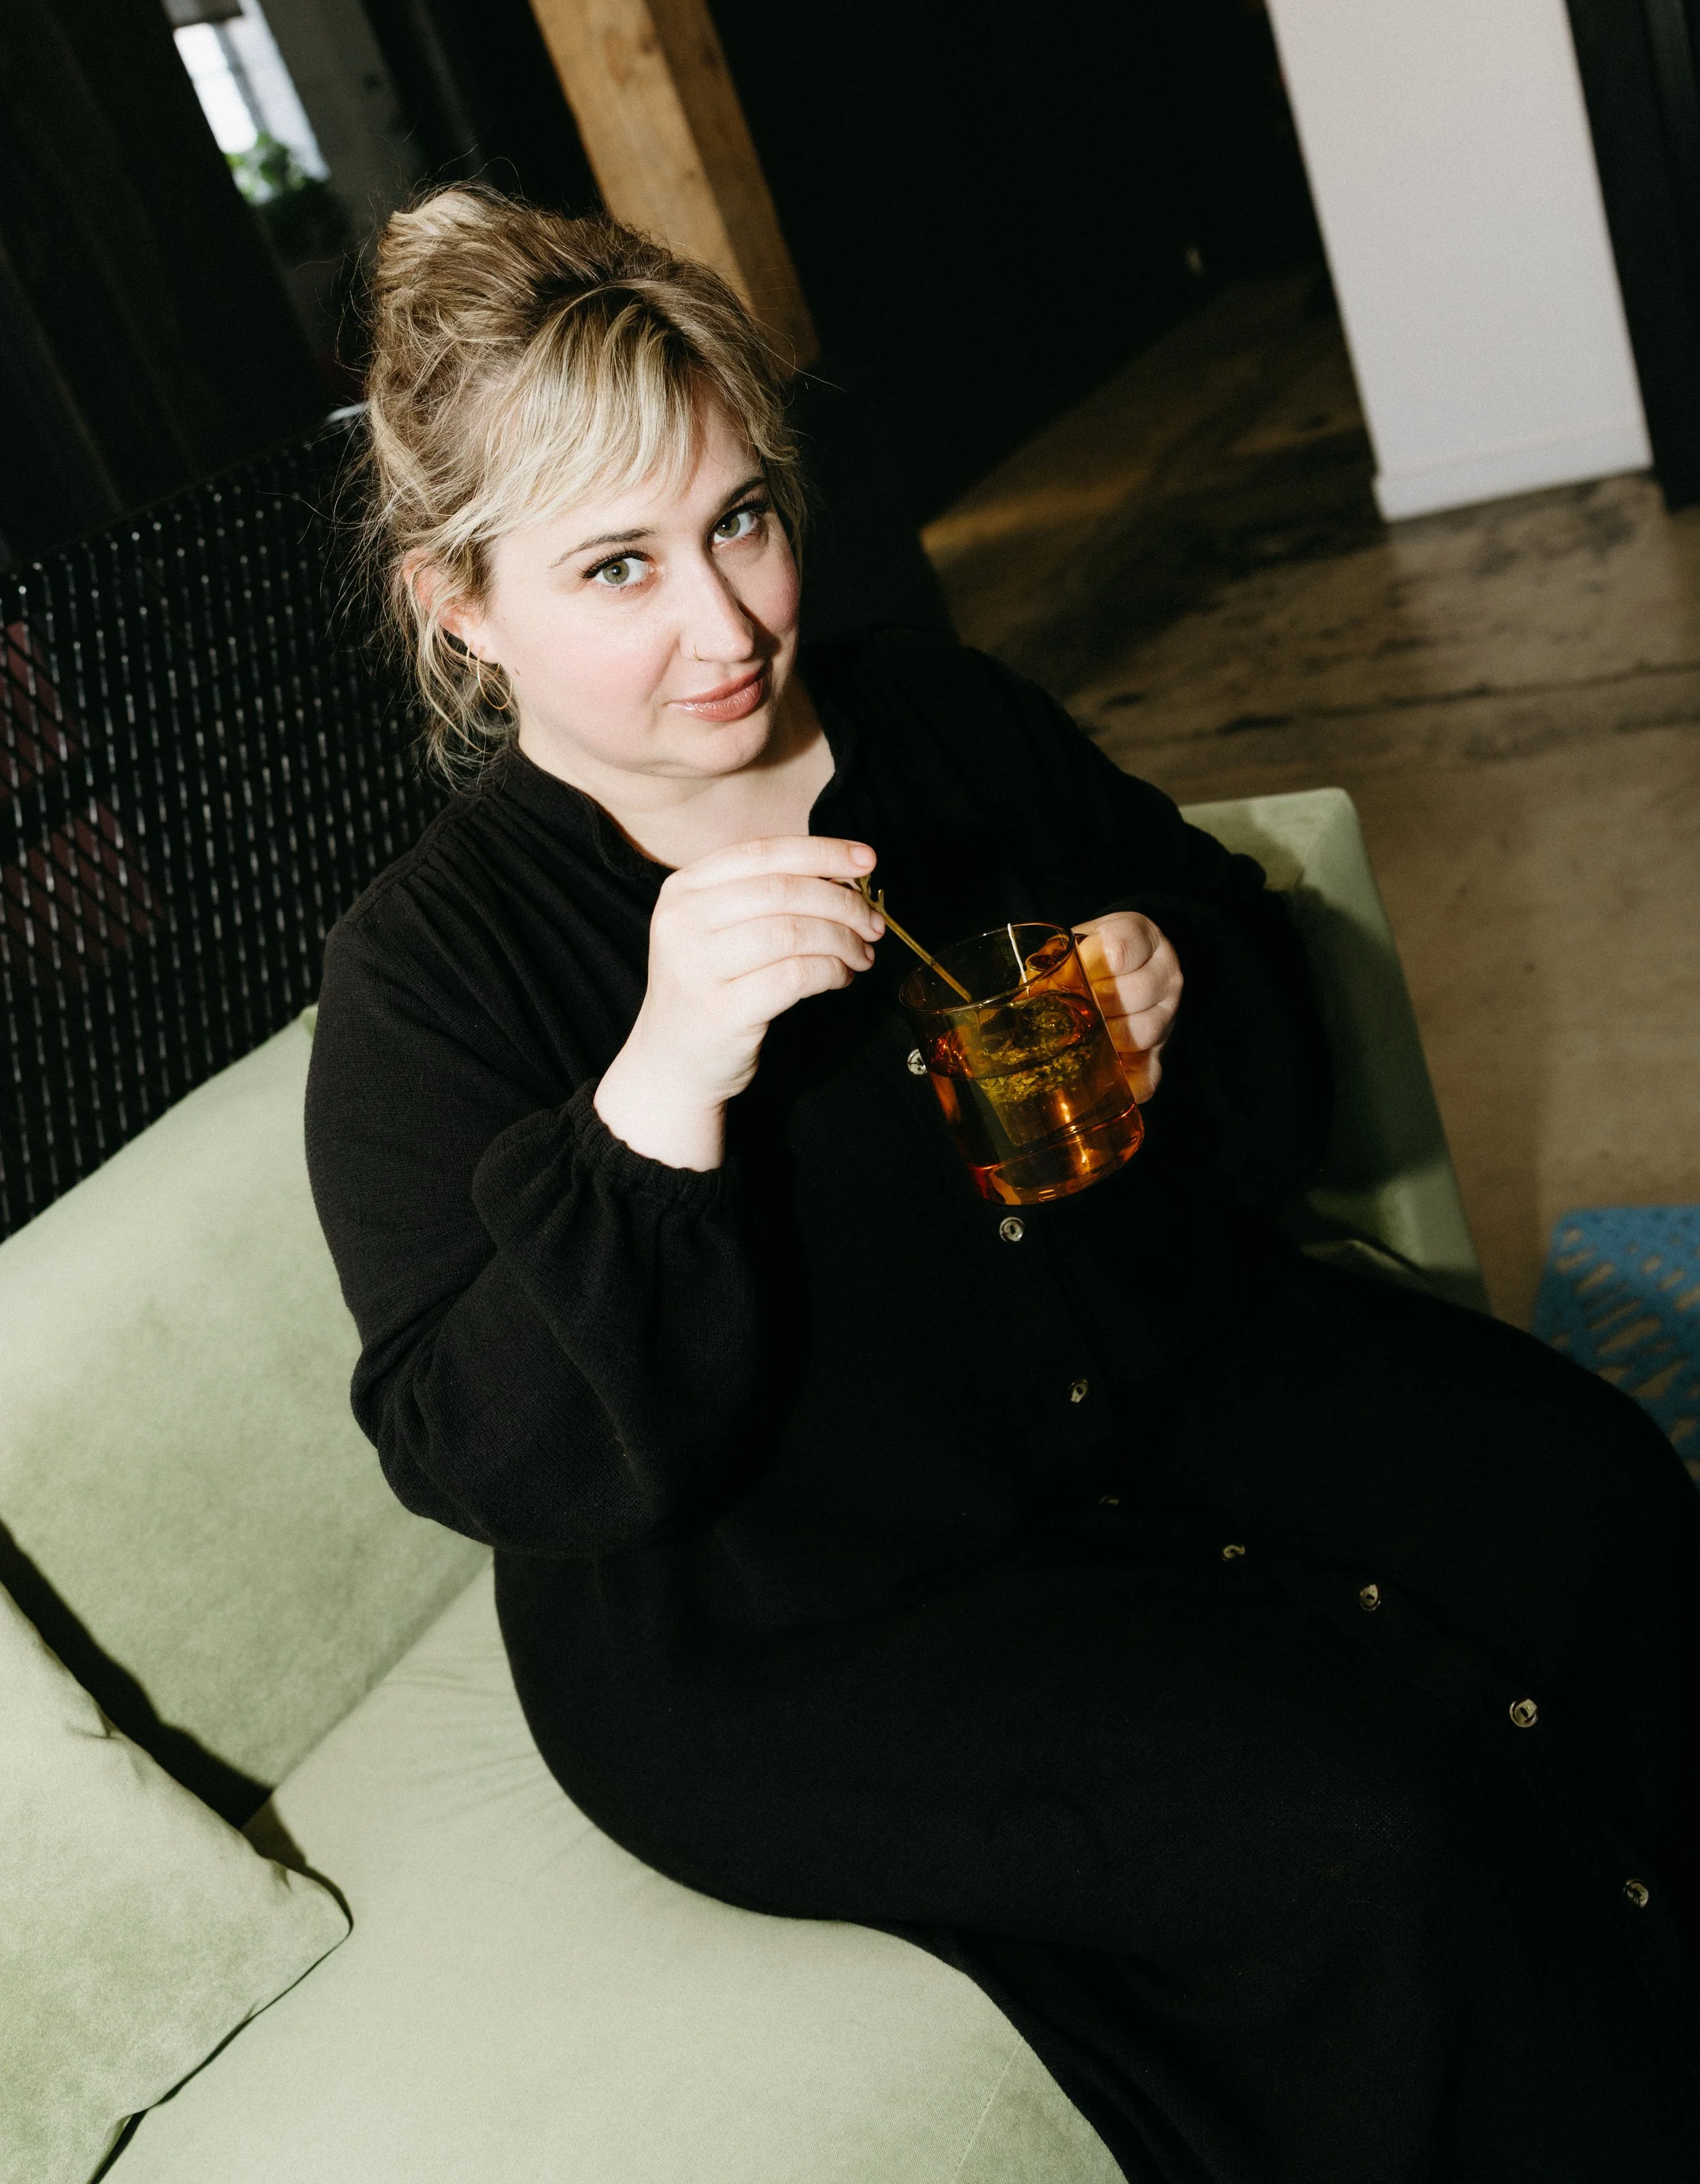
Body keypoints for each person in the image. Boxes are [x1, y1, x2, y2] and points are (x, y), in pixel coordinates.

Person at [305, 188, 1700, 2182]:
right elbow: (481, 1448)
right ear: (462, 602)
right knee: (1358, 1817)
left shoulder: (933, 720)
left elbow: (1228, 971)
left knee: (1597, 1502)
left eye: (742, 519)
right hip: (796, 1605)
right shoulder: (431, 967)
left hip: (1132, 1375)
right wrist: (658, 1089)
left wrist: (1168, 973)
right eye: (616, 565)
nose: (725, 625)